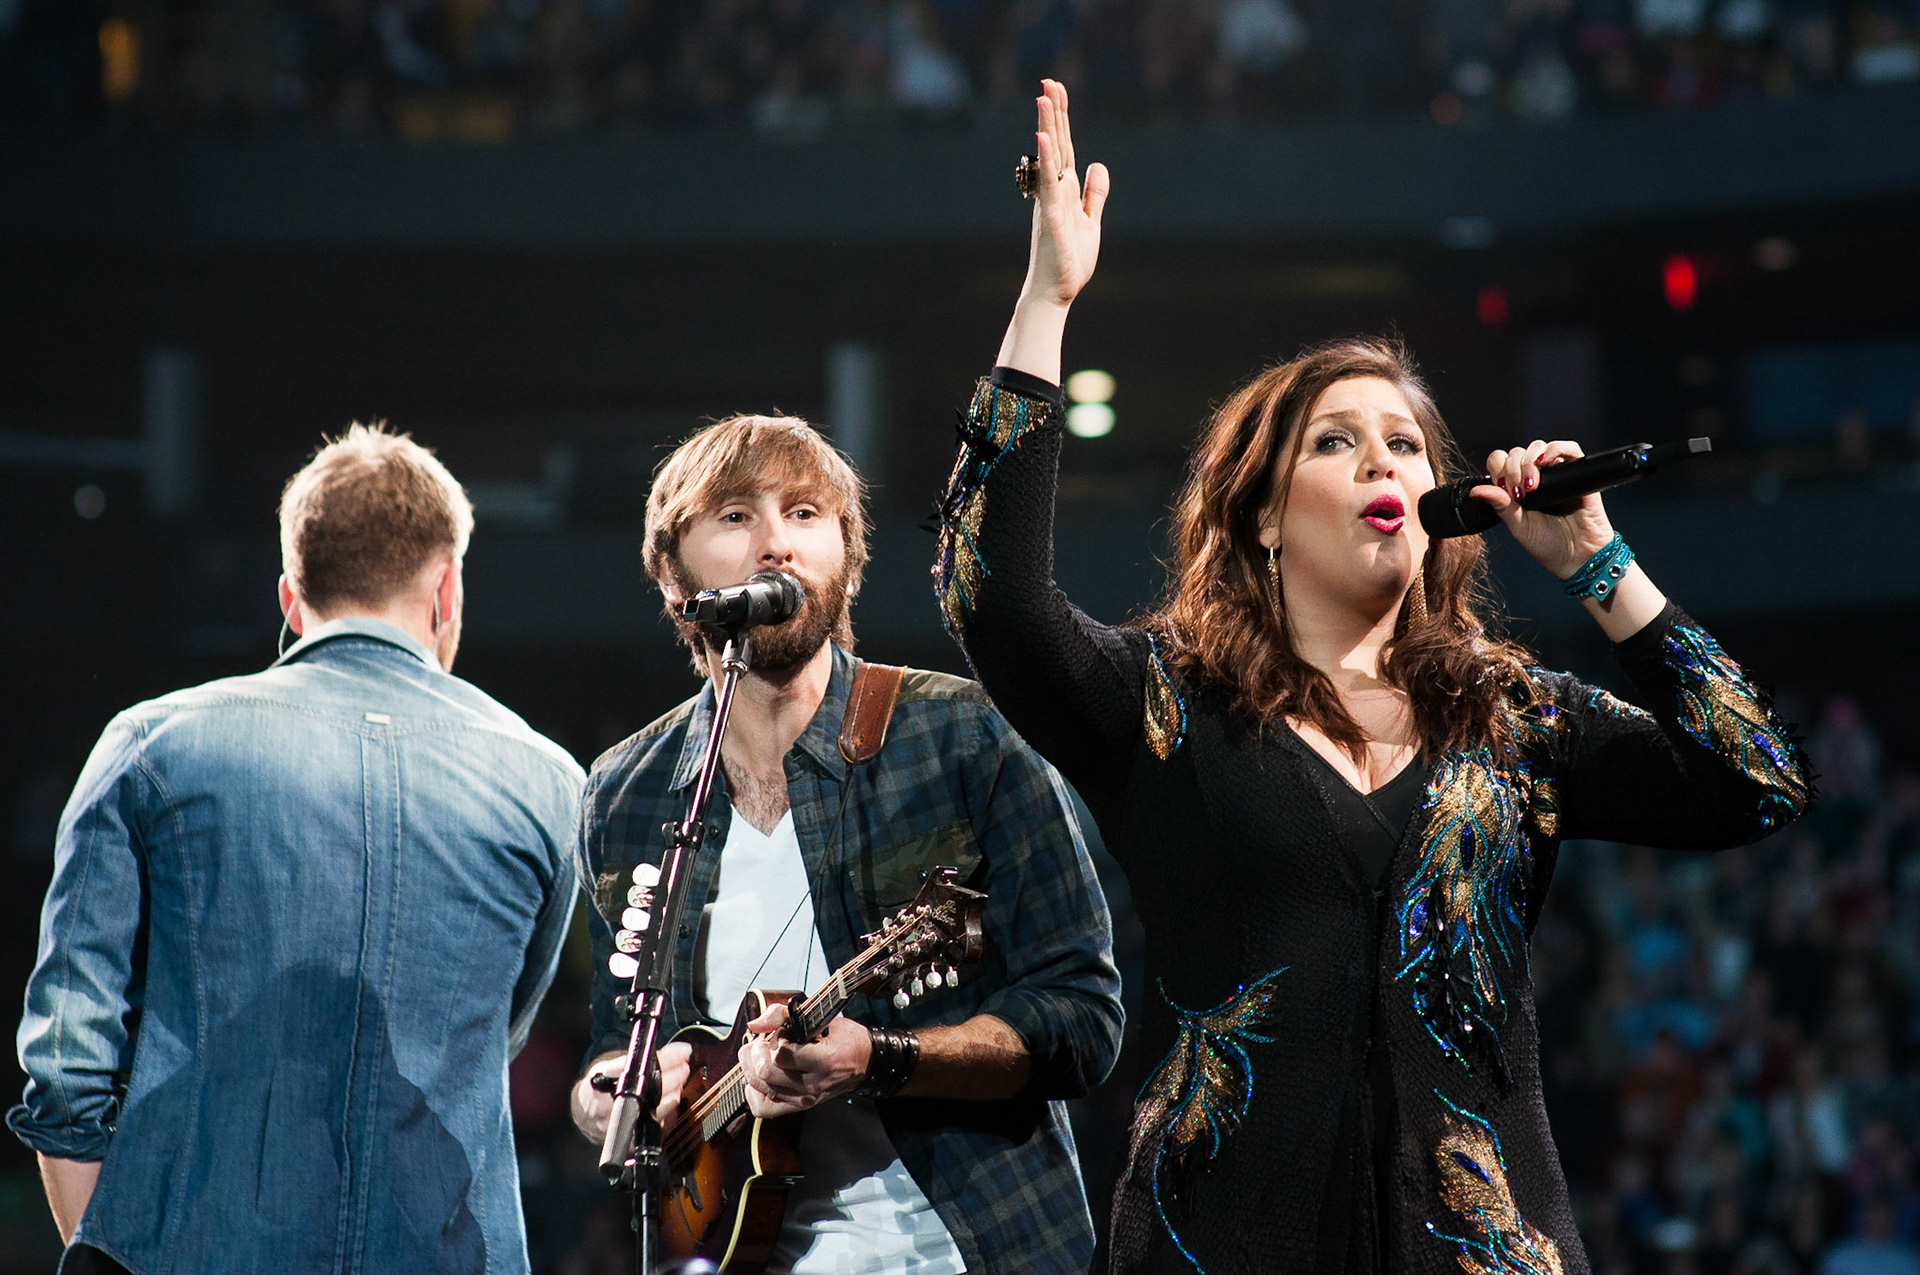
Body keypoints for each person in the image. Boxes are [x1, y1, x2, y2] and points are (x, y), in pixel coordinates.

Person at [931, 80, 1814, 1273]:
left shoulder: (1513, 719)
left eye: (1404, 444)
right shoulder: (1169, 702)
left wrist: (1598, 563)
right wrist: (1046, 299)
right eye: (1336, 442)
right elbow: (990, 594)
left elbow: (1758, 780)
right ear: (1262, 517)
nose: (1382, 463)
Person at [10, 424, 585, 1275]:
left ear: (290, 595)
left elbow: (67, 1061)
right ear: (447, 586)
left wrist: (120, 1251)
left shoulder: (151, 745)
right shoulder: (549, 781)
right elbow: (496, 1031)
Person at [570, 413, 1124, 1274]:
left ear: (847, 561)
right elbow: (615, 1038)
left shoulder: (963, 735)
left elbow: (1085, 1018)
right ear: (674, 578)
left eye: (803, 513)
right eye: (735, 515)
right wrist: (600, 1099)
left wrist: (883, 1058)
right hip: (730, 1252)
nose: (775, 543)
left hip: (963, 1251)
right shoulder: (625, 791)